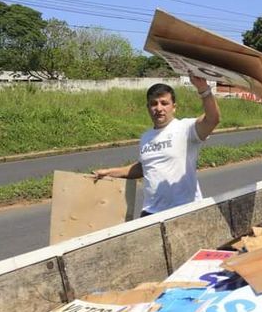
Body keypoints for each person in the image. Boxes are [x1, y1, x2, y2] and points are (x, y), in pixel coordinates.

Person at [93, 74, 220, 216]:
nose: (159, 108)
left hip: (184, 210)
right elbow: (144, 167)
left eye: (164, 103)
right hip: (150, 212)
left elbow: (212, 119)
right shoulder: (146, 137)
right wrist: (109, 172)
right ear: (148, 107)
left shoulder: (186, 129)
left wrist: (204, 90)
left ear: (174, 107)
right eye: (154, 103)